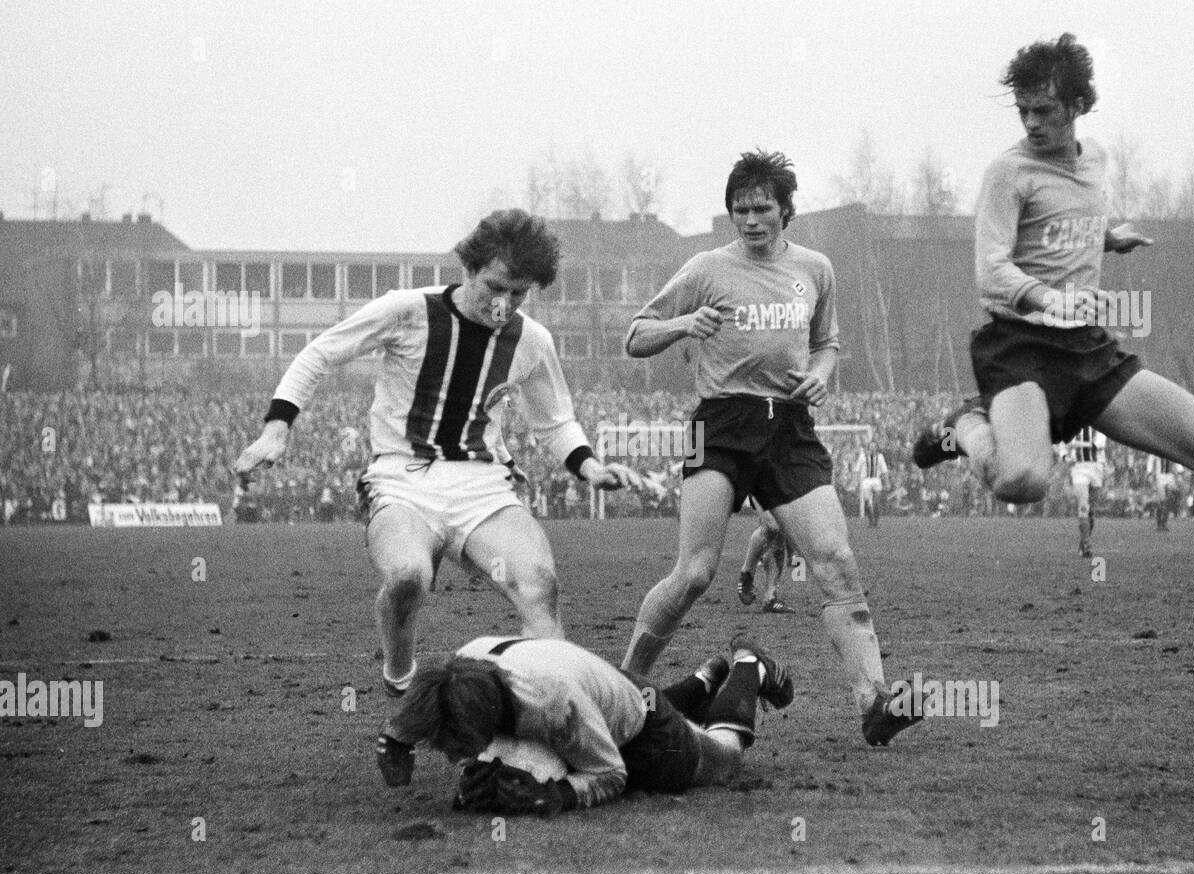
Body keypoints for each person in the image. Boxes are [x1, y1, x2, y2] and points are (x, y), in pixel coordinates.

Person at [911, 34, 1194, 656]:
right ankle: (964, 427)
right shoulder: (1007, 172)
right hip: (1020, 348)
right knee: (1023, 483)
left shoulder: (1097, 164)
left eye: (1046, 110)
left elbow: (1071, 227)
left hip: (1089, 351)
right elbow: (992, 273)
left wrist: (1107, 239)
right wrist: (1048, 298)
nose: (1034, 123)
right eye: (1025, 112)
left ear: (1080, 104)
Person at [235, 210, 640, 697]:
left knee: (538, 582)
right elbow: (319, 353)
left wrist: (590, 466)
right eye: (496, 286)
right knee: (408, 576)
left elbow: (554, 420)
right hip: (403, 478)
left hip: (482, 484)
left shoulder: (531, 340)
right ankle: (400, 676)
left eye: (519, 292)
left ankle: (555, 714)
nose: (504, 302)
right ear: (468, 269)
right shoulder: (406, 310)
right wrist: (277, 429)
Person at [620, 149, 921, 746]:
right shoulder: (706, 267)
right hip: (721, 424)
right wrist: (683, 325)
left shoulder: (816, 268)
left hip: (788, 427)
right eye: (739, 210)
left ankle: (873, 702)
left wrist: (823, 371)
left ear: (787, 211)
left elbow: (828, 342)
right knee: (696, 572)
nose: (750, 220)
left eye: (762, 209)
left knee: (835, 561)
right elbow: (634, 335)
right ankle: (624, 687)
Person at [374, 632, 795, 811]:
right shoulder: (466, 665)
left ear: (490, 719)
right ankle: (702, 684)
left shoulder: (551, 706)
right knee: (607, 713)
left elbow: (612, 773)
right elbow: (431, 696)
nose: (450, 754)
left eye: (457, 744)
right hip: (602, 688)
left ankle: (750, 666)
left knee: (722, 757)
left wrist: (561, 795)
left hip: (644, 735)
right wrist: (398, 738)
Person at [737, 505, 797, 614]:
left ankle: (770, 598)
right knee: (772, 525)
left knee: (780, 533)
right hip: (761, 488)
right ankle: (747, 573)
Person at [1060, 426, 1106, 556]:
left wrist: (1074, 444)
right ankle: (1086, 545)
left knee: (1091, 511)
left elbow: (1098, 445)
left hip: (1096, 467)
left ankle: (1083, 541)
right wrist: (1065, 457)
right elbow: (1063, 442)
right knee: (1083, 505)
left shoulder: (1099, 423)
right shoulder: (1073, 421)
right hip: (1079, 467)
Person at [853, 435, 889, 526]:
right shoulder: (862, 456)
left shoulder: (880, 457)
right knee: (867, 501)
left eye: (874, 446)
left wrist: (887, 482)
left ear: (877, 448)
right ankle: (870, 520)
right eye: (871, 446)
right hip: (866, 481)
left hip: (876, 480)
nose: (872, 448)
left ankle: (876, 520)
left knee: (876, 502)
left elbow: (884, 471)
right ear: (868, 447)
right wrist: (856, 481)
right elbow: (857, 470)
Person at [1145, 452, 1181, 531]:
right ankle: (1159, 524)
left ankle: (1164, 524)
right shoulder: (1156, 448)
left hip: (1170, 477)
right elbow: (1151, 460)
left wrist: (1179, 472)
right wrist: (1149, 473)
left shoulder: (1171, 448)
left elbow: (1177, 459)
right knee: (1162, 500)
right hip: (1160, 477)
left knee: (1168, 500)